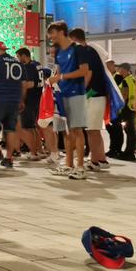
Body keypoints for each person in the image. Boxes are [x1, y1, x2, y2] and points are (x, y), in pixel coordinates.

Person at [47, 21, 88, 179]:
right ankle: (69, 165)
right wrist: (53, 80)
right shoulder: (58, 52)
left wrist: (61, 77)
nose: (50, 37)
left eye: (53, 33)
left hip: (76, 93)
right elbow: (58, 72)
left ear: (62, 31)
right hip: (61, 94)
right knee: (65, 131)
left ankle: (81, 167)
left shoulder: (78, 49)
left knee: (77, 129)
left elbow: (84, 71)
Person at [67, 28, 111, 169]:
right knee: (95, 129)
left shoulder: (82, 50)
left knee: (91, 130)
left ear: (73, 38)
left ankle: (94, 161)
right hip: (99, 94)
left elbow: (88, 73)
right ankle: (101, 159)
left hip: (92, 94)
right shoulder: (92, 50)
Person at [15, 48, 44, 160]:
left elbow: (28, 84)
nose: (18, 59)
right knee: (34, 126)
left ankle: (34, 152)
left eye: (18, 56)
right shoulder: (37, 64)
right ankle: (39, 150)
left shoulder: (28, 67)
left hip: (30, 99)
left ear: (23, 56)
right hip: (38, 98)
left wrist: (22, 99)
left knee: (28, 127)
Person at [112, 63, 136, 161]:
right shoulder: (132, 79)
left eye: (121, 69)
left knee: (129, 132)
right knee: (131, 132)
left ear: (125, 70)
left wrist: (118, 108)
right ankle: (129, 152)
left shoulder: (126, 81)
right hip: (132, 108)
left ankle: (129, 154)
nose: (119, 71)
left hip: (127, 109)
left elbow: (124, 95)